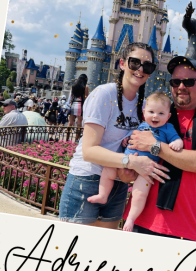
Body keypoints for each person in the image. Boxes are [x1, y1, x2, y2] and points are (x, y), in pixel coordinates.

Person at [58, 42, 169, 229]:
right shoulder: (104, 94)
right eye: (135, 63)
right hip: (87, 179)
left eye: (147, 66)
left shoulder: (145, 107)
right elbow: (89, 151)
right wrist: (133, 162)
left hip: (118, 183)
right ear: (122, 64)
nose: (140, 69)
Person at [124, 55, 196, 242]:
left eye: (188, 81)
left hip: (184, 230)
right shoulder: (153, 115)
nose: (181, 86)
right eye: (176, 81)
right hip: (139, 222)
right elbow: (127, 164)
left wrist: (154, 145)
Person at [89, 92, 183, 233]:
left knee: (140, 193)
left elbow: (177, 139)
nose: (155, 116)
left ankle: (131, 218)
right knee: (108, 169)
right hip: (127, 162)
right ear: (144, 112)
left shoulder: (167, 128)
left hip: (145, 169)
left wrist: (177, 143)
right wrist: (126, 140)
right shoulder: (142, 125)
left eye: (161, 113)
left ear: (168, 116)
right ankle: (103, 195)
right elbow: (131, 136)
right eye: (151, 112)